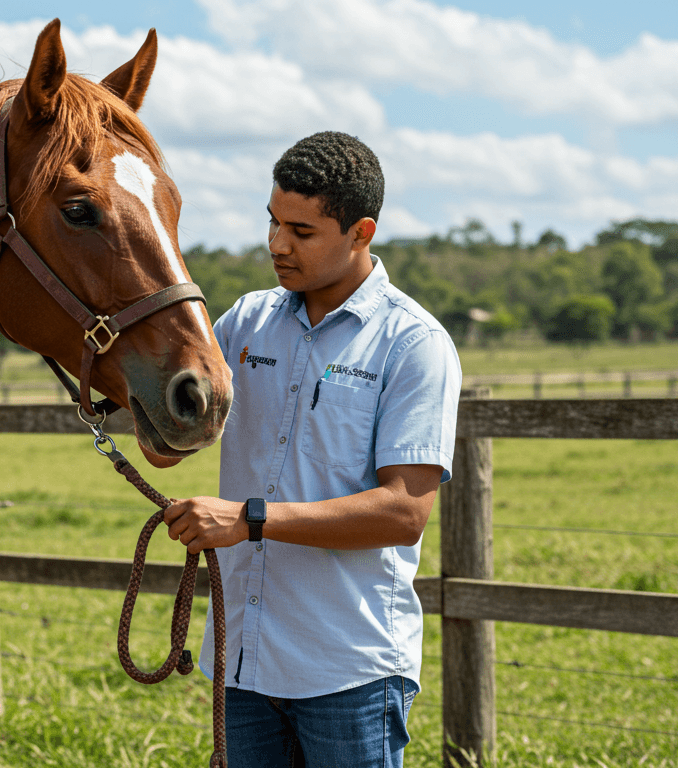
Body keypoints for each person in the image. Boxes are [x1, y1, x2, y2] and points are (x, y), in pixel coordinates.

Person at [163, 131, 461, 767]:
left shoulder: (413, 345)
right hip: (241, 664)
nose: (277, 245)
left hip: (348, 671)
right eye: (272, 223)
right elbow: (170, 442)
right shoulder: (244, 323)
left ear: (360, 232)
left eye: (301, 231)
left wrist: (246, 521)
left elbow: (403, 514)